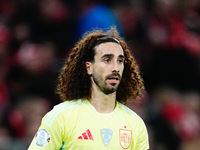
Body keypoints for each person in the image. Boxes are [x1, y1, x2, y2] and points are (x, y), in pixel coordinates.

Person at [28, 27, 149, 150]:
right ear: (89, 67)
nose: (115, 68)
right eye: (107, 60)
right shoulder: (61, 117)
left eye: (120, 61)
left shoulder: (135, 124)